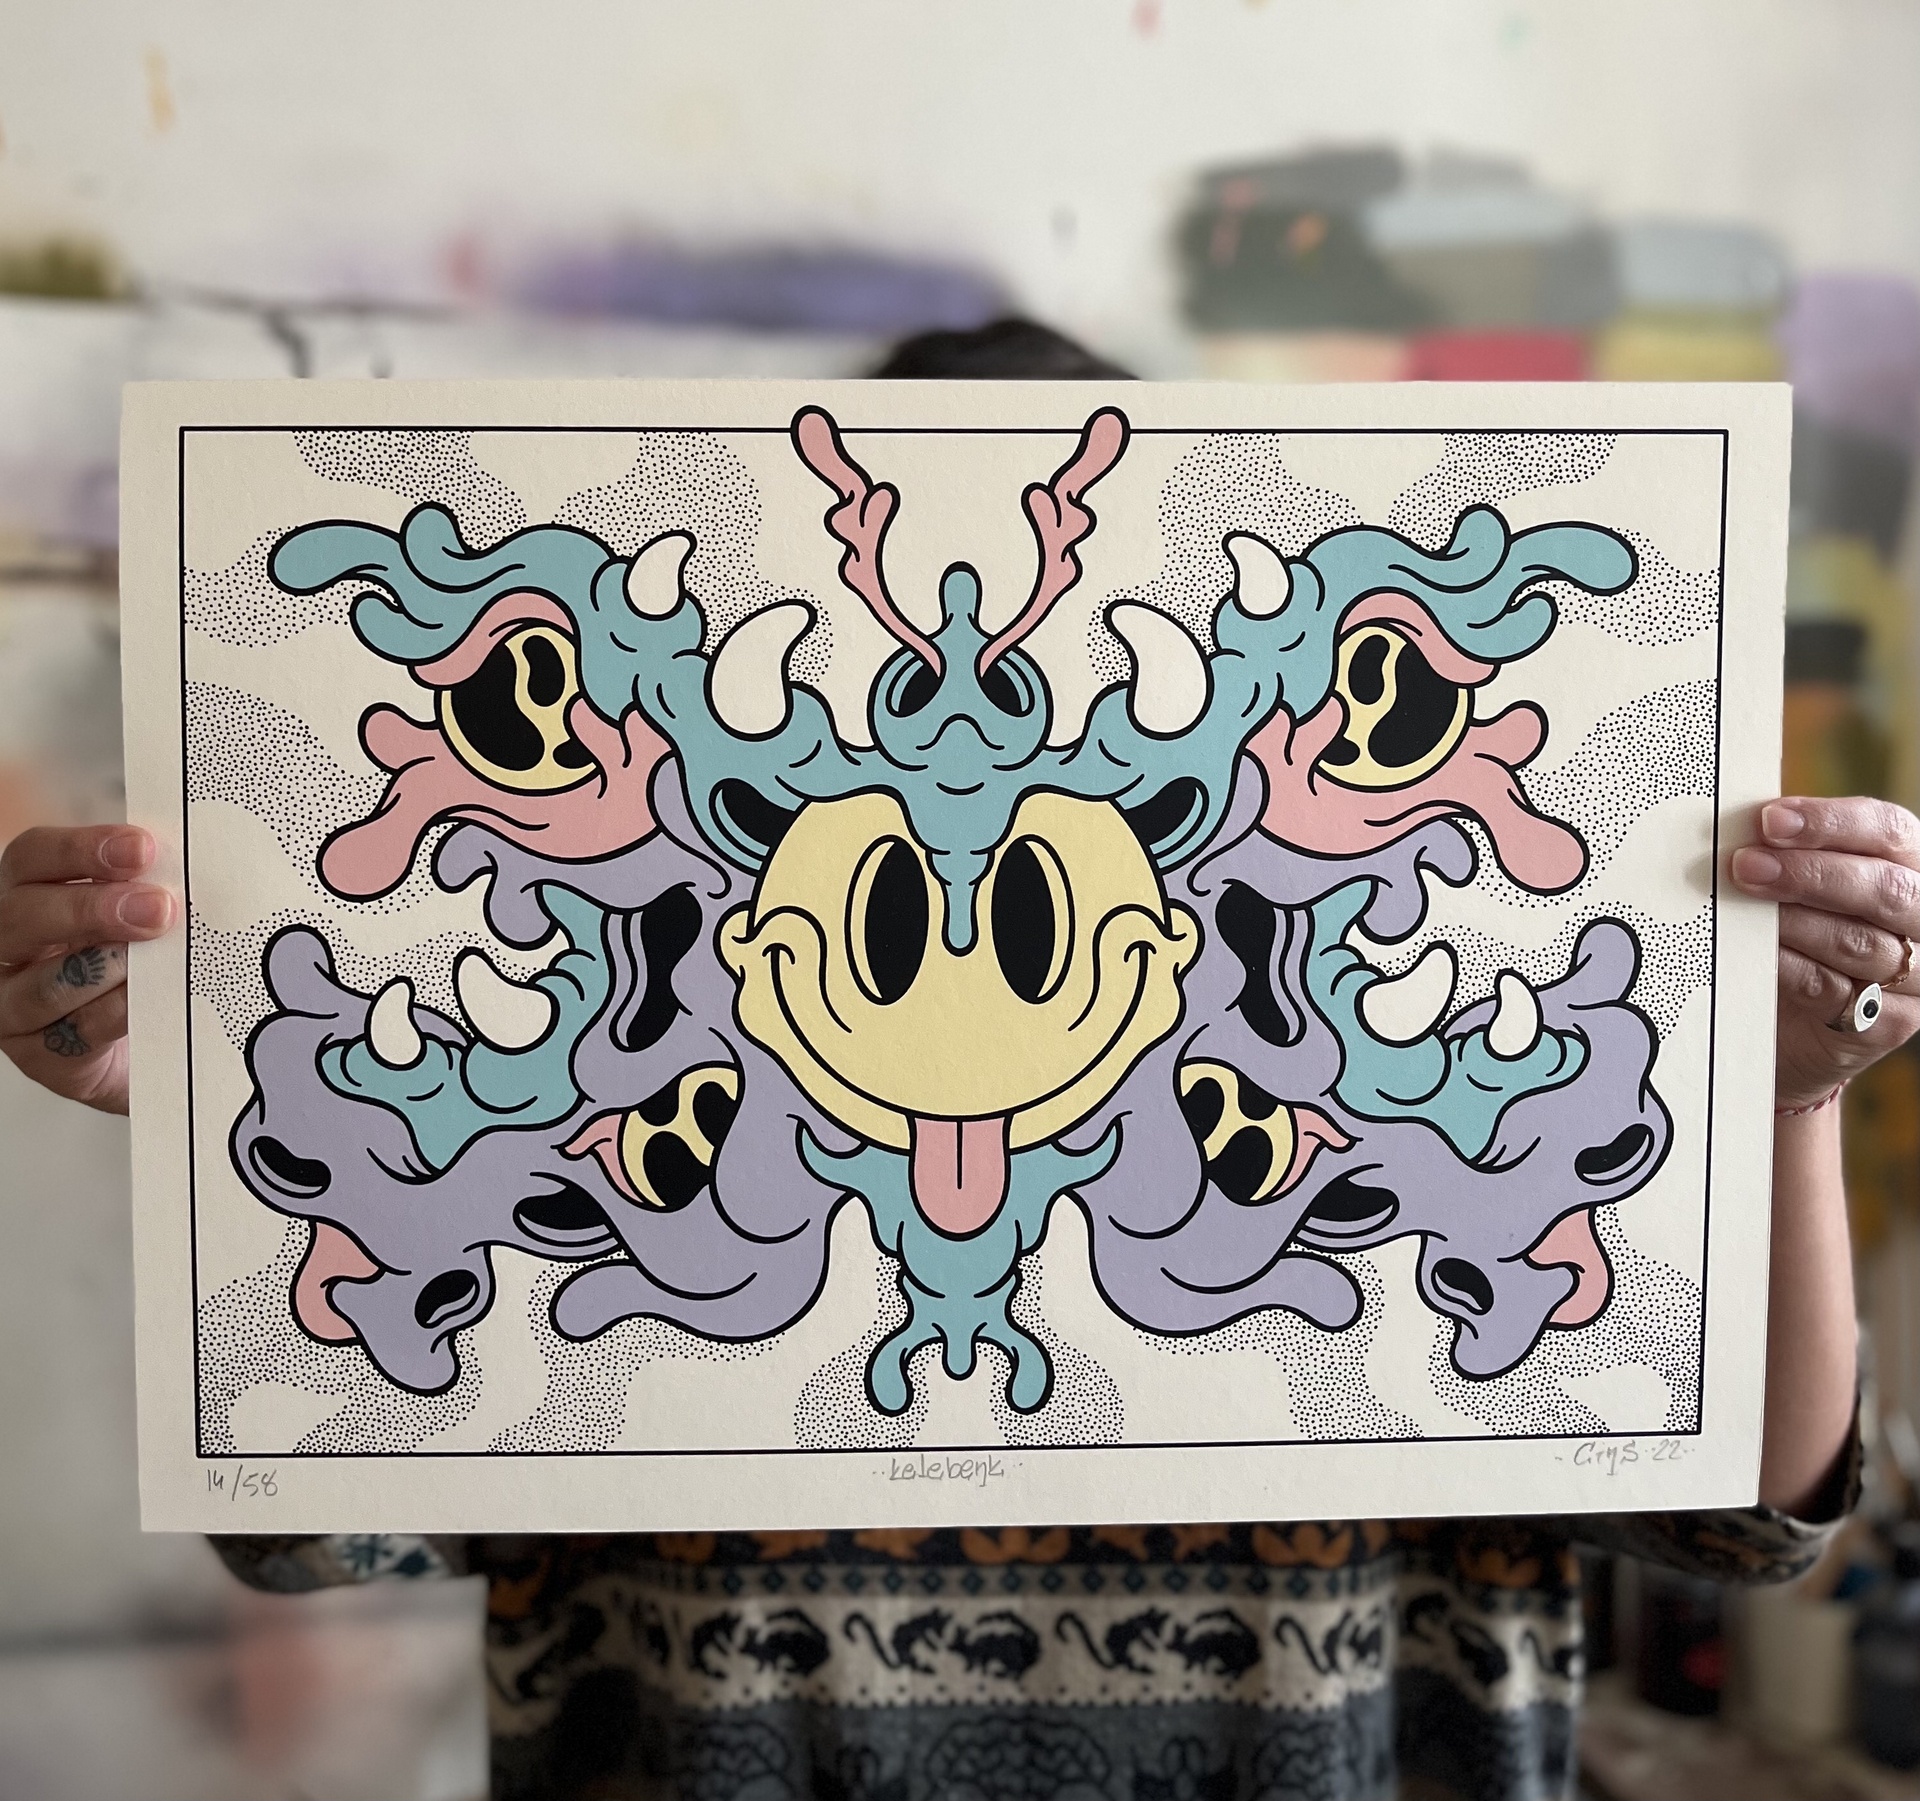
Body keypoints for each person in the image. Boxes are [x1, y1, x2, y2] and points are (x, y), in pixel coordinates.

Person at [0, 320, 1898, 1801]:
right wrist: (217, 1130)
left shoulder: (1479, 1022)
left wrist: (1792, 1089)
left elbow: (1750, 1512)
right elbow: (306, 1519)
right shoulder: (629, 1116)